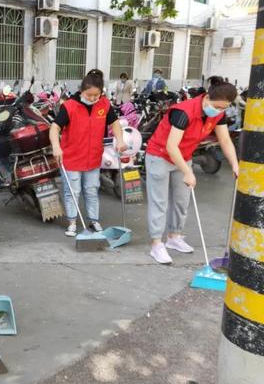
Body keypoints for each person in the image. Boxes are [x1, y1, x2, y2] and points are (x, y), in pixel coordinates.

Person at [145, 76, 240, 264]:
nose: (220, 111)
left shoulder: (217, 114)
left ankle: (174, 237)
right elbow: (172, 146)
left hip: (184, 156)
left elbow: (225, 140)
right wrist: (188, 172)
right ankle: (156, 244)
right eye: (217, 107)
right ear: (206, 99)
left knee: (182, 200)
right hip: (160, 155)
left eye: (223, 108)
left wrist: (235, 165)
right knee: (160, 202)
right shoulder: (184, 112)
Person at [50, 69, 127, 237]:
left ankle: (94, 220)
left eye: (96, 95)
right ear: (81, 90)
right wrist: (56, 146)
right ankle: (72, 222)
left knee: (92, 190)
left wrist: (120, 140)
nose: (92, 98)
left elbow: (114, 123)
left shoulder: (104, 105)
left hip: (93, 157)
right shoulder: (69, 106)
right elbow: (55, 127)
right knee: (73, 191)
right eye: (89, 94)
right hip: (71, 158)